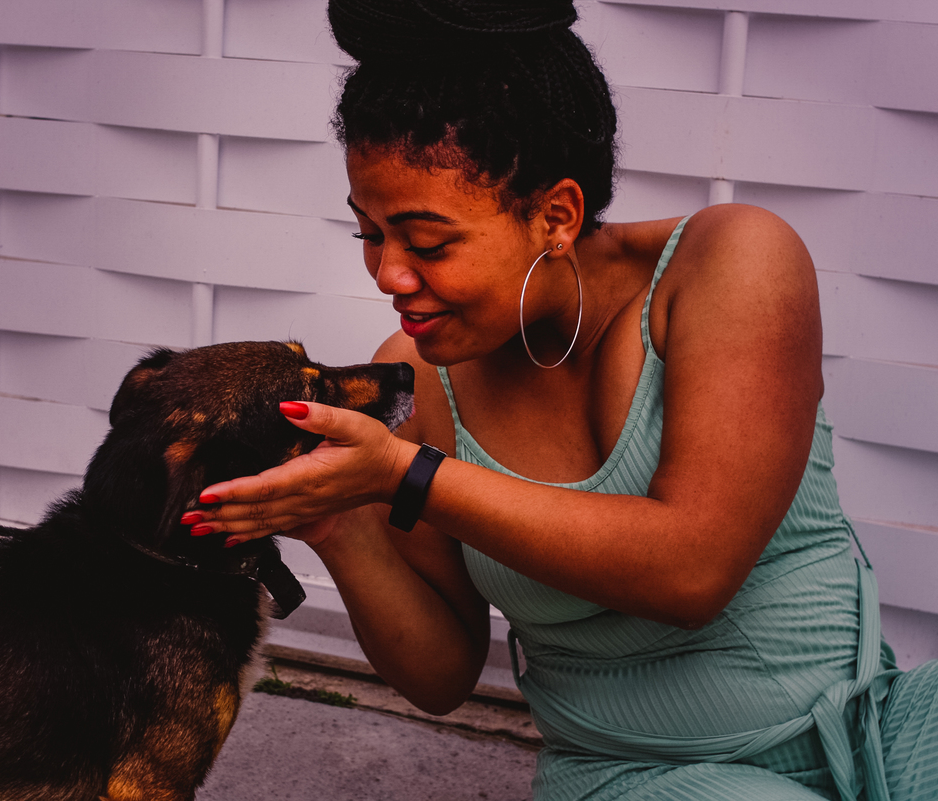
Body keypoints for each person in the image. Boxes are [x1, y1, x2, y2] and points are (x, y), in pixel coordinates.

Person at [180, 2, 938, 798]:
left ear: (555, 216)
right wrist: (340, 526)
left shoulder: (730, 263)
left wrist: (407, 475)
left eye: (428, 242)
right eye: (369, 234)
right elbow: (442, 674)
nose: (389, 275)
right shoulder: (417, 381)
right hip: (633, 778)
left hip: (872, 723)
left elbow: (693, 570)